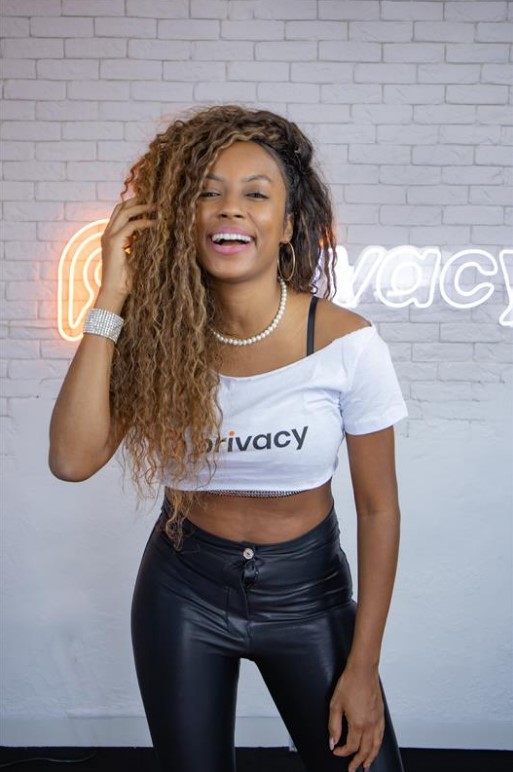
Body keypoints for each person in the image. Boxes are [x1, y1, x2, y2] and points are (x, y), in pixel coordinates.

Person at [49, 105, 408, 772]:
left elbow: (379, 509)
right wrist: (111, 295)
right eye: (207, 193)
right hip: (182, 590)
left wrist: (363, 668)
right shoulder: (158, 341)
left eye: (255, 194)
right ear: (183, 219)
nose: (230, 208)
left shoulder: (347, 344)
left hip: (307, 595)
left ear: (289, 225)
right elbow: (72, 459)